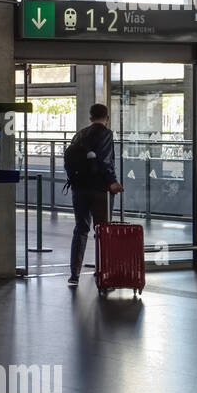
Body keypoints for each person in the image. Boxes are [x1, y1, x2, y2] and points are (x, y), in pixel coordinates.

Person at [65, 103, 125, 287]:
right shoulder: (106, 134)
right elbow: (105, 161)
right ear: (107, 118)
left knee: (81, 229)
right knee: (103, 231)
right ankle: (104, 272)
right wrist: (112, 181)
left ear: (90, 117)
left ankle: (74, 274)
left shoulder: (80, 134)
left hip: (79, 189)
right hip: (100, 190)